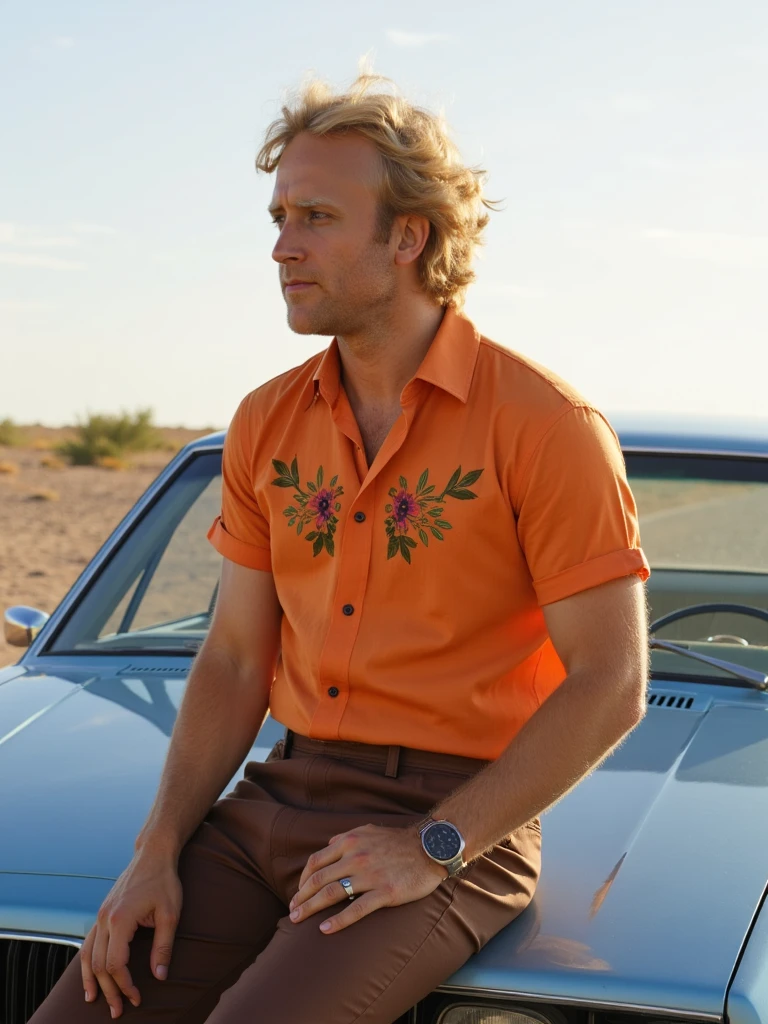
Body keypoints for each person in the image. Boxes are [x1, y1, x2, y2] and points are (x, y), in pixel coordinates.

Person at [31, 72, 650, 1024]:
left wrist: (435, 844)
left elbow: (609, 681)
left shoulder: (545, 424)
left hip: (451, 820)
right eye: (279, 216)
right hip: (275, 793)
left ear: (409, 237)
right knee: (87, 1012)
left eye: (316, 216)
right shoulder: (264, 420)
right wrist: (154, 851)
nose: (283, 247)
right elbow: (237, 656)